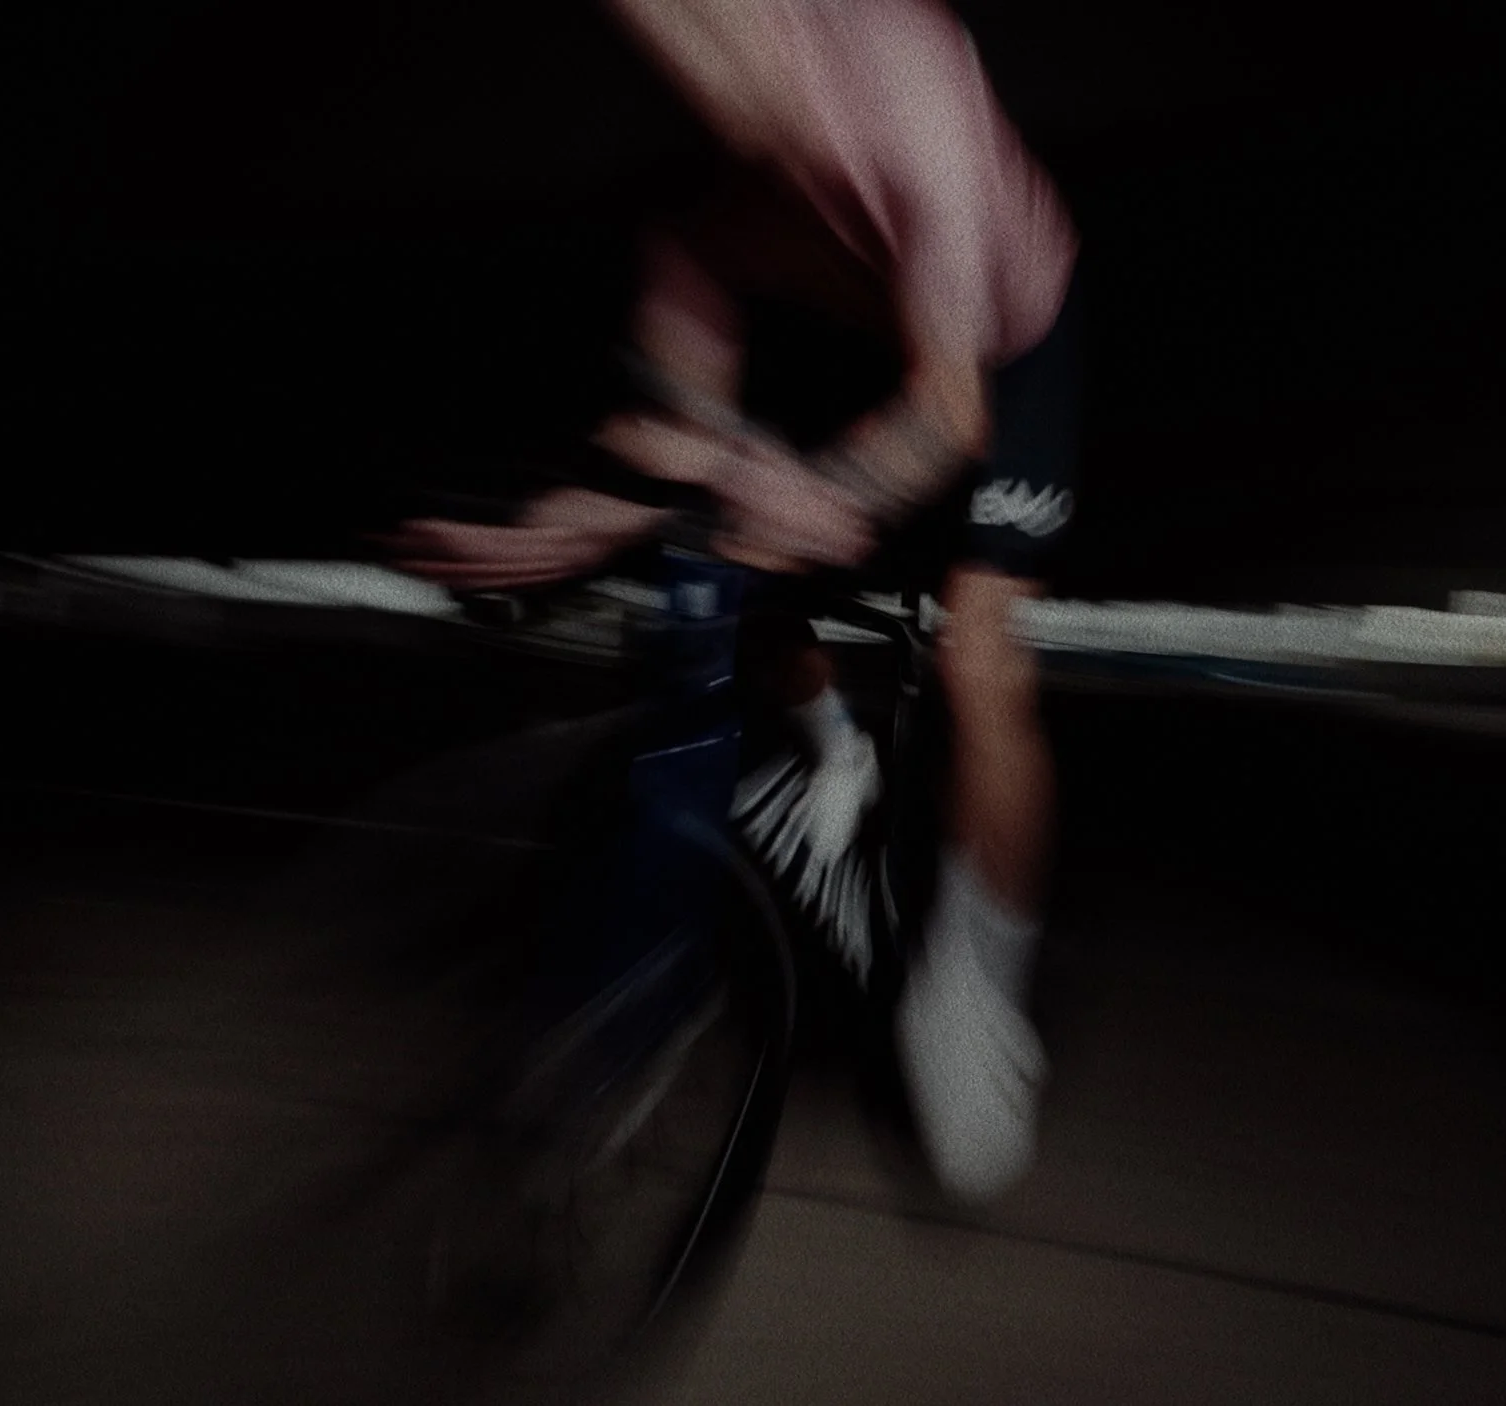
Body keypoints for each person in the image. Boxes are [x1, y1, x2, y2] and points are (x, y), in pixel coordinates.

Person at [390, 0, 1080, 1203]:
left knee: (979, 656)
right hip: (859, 327)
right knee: (713, 554)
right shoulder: (699, 193)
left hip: (1006, 350)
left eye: (716, 31)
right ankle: (830, 751)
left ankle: (975, 985)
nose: (696, 71)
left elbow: (952, 411)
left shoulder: (907, 74)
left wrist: (821, 488)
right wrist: (581, 517)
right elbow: (671, 455)